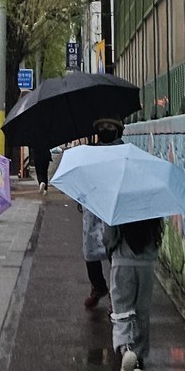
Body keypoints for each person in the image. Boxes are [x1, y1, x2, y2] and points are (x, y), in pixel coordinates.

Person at [103, 216, 163, 371]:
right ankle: (139, 360)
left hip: (122, 261)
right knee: (142, 311)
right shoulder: (151, 204)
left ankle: (126, 348)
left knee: (122, 309)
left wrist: (111, 249)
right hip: (146, 264)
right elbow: (158, 232)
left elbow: (109, 236)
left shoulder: (116, 207)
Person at [82, 117, 122, 309]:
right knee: (90, 249)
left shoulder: (123, 151)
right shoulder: (90, 152)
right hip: (93, 205)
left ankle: (117, 295)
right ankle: (98, 286)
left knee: (116, 250)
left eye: (110, 127)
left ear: (117, 129)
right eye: (102, 127)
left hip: (115, 206)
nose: (105, 130)